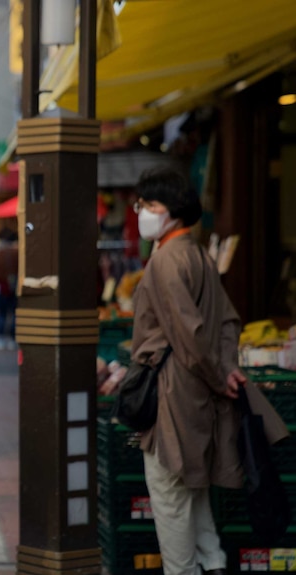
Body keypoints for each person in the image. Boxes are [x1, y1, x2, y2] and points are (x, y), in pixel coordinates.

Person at [130, 167, 245, 575]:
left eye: (149, 205)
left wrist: (217, 373)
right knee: (193, 492)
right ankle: (212, 563)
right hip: (199, 399)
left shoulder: (164, 261)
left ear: (174, 211)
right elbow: (228, 322)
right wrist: (227, 370)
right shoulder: (199, 255)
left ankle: (184, 570)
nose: (141, 212)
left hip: (172, 396)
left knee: (170, 495)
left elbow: (190, 337)